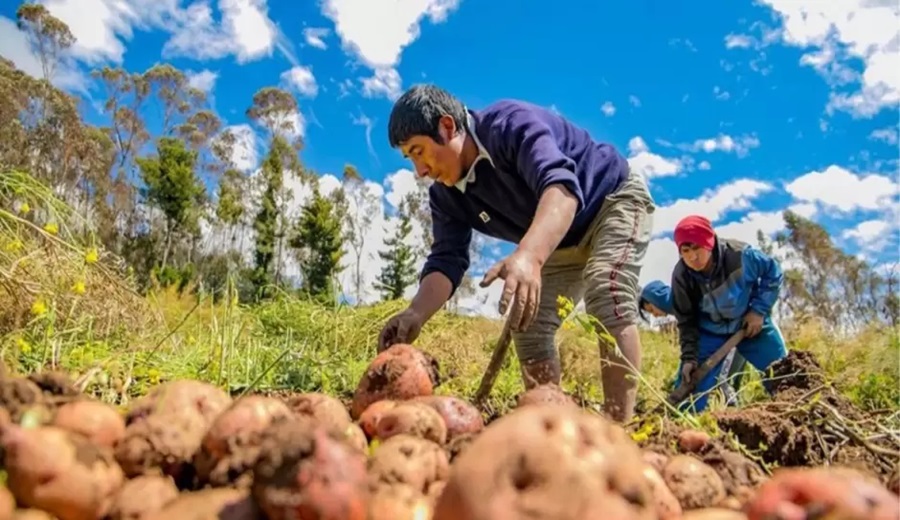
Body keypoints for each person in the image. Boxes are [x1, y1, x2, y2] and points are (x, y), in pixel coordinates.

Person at [377, 84, 656, 423]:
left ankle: (618, 428)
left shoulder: (511, 125)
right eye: (410, 158)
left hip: (610, 202)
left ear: (447, 127)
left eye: (419, 151)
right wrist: (415, 314)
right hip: (560, 241)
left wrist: (529, 256)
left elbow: (563, 190)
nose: (420, 171)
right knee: (528, 322)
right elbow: (446, 260)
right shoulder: (446, 196)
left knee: (605, 288)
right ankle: (548, 427)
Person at [669, 214, 788, 412]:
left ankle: (796, 410)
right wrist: (689, 358)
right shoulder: (682, 276)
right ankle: (679, 430)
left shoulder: (741, 256)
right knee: (689, 392)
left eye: (697, 248)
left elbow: (772, 273)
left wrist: (758, 311)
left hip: (750, 324)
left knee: (784, 373)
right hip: (710, 333)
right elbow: (686, 320)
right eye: (685, 250)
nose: (692, 257)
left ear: (709, 242)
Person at [639, 280, 749, 407]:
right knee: (724, 383)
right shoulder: (681, 305)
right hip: (736, 332)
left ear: (657, 299)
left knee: (721, 383)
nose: (655, 316)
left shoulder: (683, 300)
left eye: (652, 309)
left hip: (731, 334)